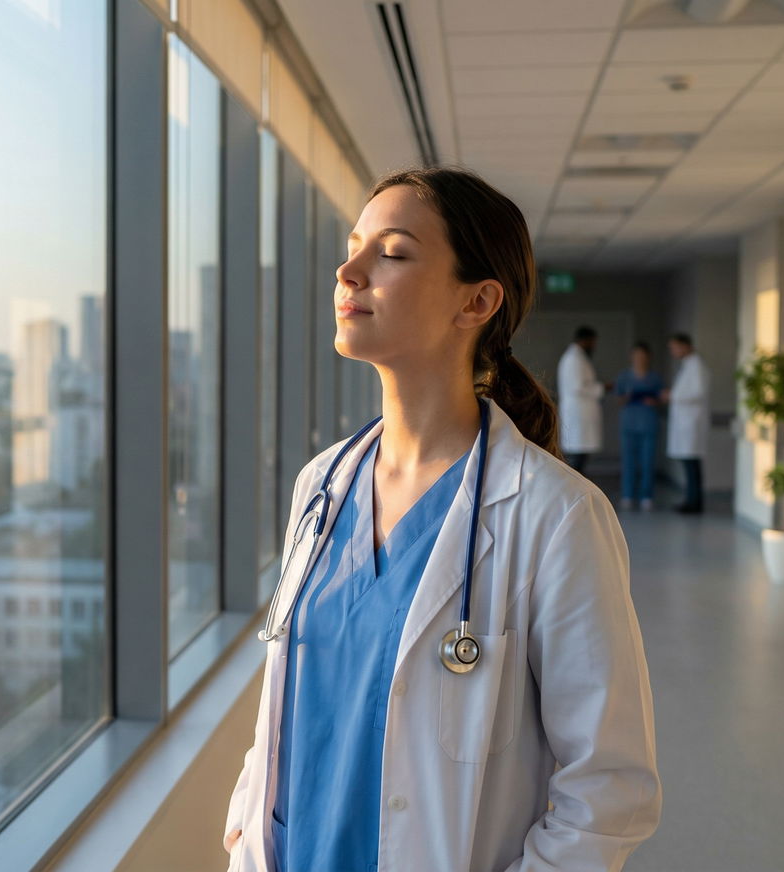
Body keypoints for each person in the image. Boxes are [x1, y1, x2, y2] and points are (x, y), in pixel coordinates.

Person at [223, 167, 660, 872]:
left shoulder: (556, 515)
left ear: (478, 300)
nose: (348, 270)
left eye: (391, 253)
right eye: (353, 245)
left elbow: (609, 784)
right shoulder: (321, 485)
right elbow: (288, 706)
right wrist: (244, 831)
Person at [663, 333, 710, 514]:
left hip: (691, 424)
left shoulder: (696, 365)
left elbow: (697, 392)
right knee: (689, 465)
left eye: (674, 347)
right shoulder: (689, 365)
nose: (673, 351)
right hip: (688, 423)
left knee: (692, 466)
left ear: (684, 346)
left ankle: (694, 503)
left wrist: (672, 396)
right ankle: (691, 500)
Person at [614, 342, 662, 511]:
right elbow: (618, 399)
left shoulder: (654, 378)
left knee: (648, 461)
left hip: (648, 422)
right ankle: (628, 495)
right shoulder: (624, 377)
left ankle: (646, 496)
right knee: (628, 461)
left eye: (643, 356)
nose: (639, 359)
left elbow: (661, 398)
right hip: (629, 422)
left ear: (648, 357)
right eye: (636, 355)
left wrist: (654, 400)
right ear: (631, 357)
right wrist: (626, 397)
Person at [557, 325, 606, 473]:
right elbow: (578, 387)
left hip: (580, 415)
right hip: (578, 415)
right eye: (593, 342)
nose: (594, 346)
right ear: (585, 340)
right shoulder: (574, 358)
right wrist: (602, 388)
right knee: (577, 459)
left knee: (580, 456)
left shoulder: (578, 357)